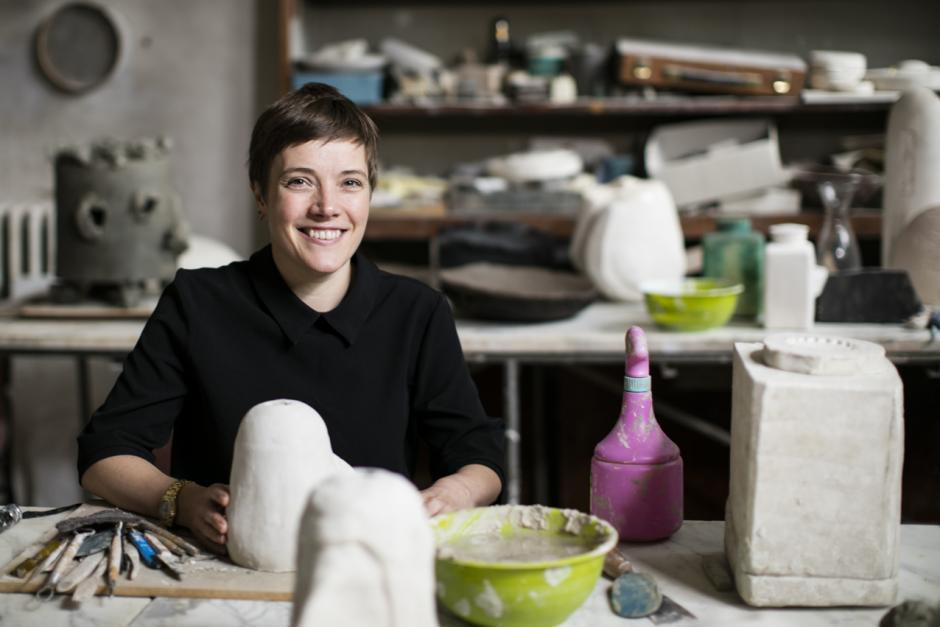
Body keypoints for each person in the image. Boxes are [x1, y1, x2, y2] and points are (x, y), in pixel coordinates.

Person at [77, 83, 505, 553]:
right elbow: (105, 452)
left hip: (366, 560)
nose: (327, 206)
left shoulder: (417, 312)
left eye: (350, 182)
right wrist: (180, 499)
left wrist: (454, 493)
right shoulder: (197, 302)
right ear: (260, 195)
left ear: (369, 196)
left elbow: (480, 458)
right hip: (225, 567)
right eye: (299, 181)